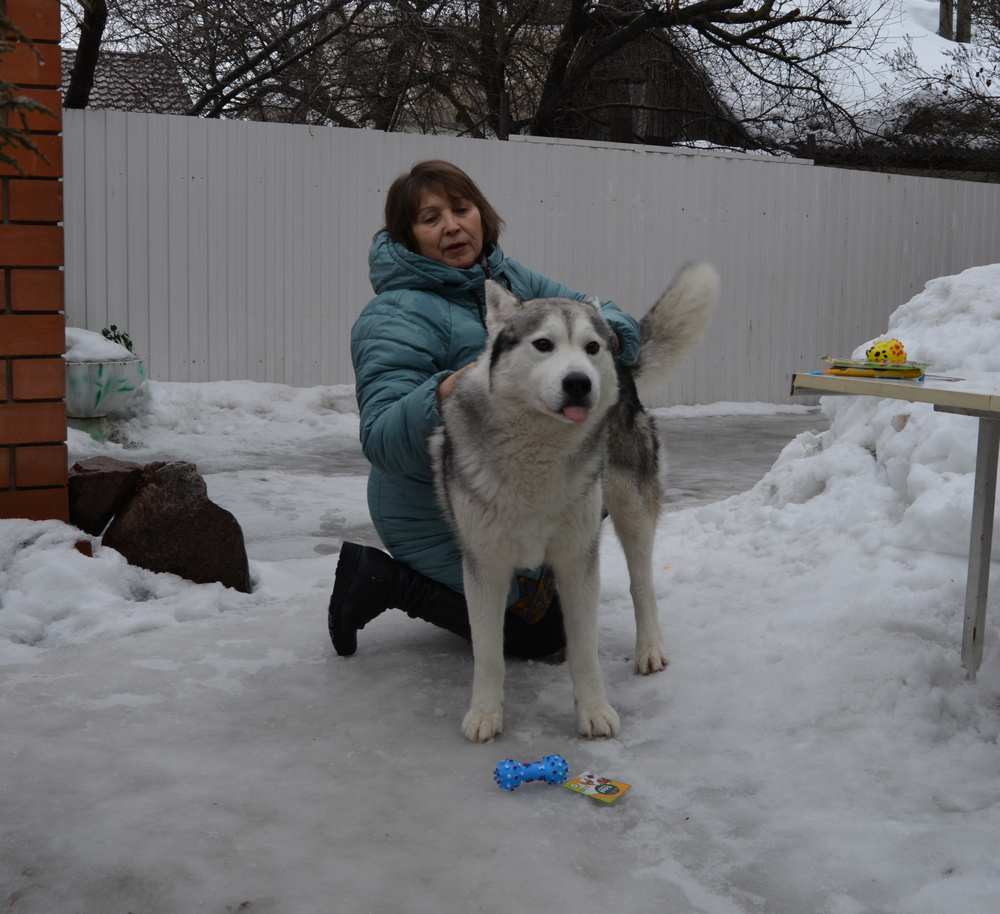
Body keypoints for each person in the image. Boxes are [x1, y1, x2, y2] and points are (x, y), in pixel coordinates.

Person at [328, 159, 641, 659]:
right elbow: (383, 438)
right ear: (408, 236)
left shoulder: (509, 277)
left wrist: (607, 336)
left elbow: (598, 310)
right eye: (430, 219)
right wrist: (453, 389)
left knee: (591, 485)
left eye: (460, 208)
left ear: (481, 214)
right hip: (431, 505)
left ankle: (530, 583)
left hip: (514, 487)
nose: (452, 225)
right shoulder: (392, 315)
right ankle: (381, 581)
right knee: (539, 638)